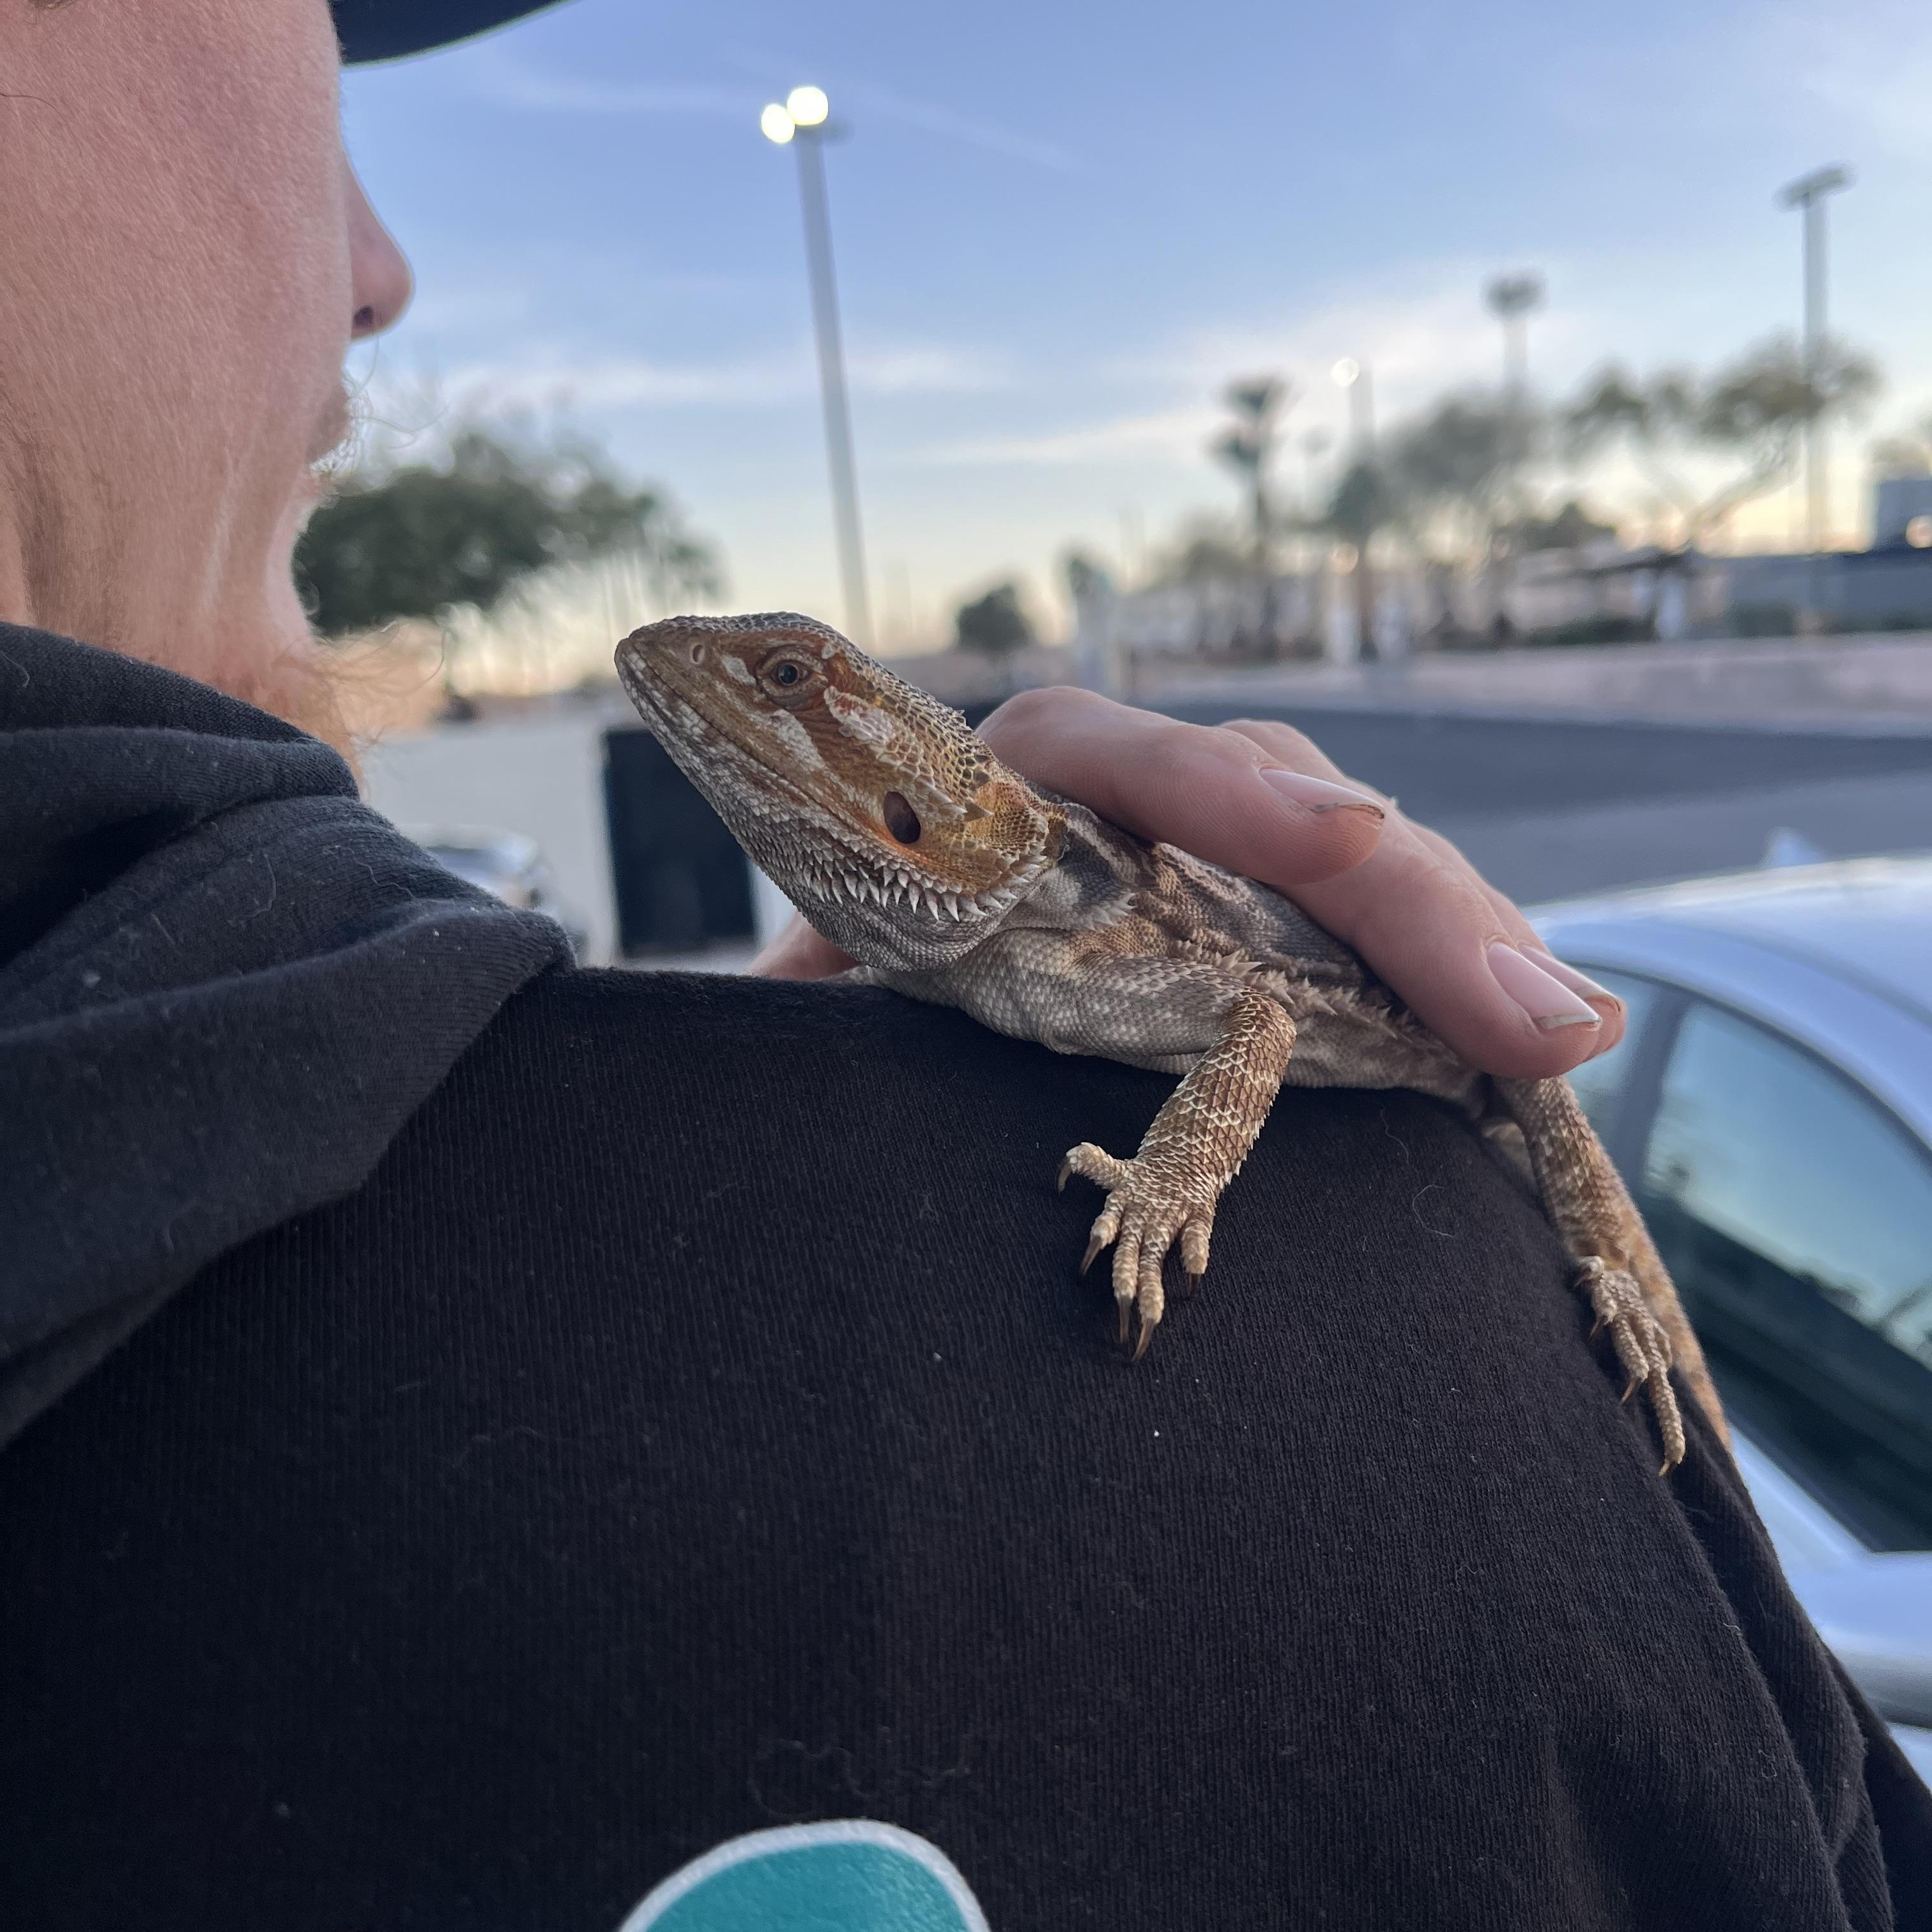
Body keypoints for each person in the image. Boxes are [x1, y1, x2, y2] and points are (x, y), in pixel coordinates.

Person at [0, 4, 1924, 1928]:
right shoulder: (1411, 1339)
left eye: (794, 684)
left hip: (1433, 1070)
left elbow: (1271, 1009)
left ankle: (1637, 1277)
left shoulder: (1036, 952)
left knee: (1542, 1100)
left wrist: (992, 1130)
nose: (382, 265)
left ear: (922, 798)